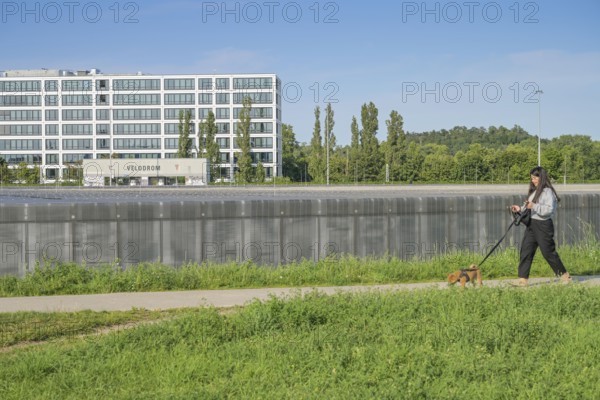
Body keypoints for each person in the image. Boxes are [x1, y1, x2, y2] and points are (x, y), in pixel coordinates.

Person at [510, 166, 571, 286]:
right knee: (526, 250)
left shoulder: (548, 192)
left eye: (535, 178)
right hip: (532, 224)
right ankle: (523, 279)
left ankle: (565, 276)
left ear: (541, 178)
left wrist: (534, 206)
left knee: (548, 252)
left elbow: (549, 210)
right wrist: (519, 208)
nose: (533, 180)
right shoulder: (534, 191)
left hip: (543, 225)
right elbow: (529, 206)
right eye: (532, 178)